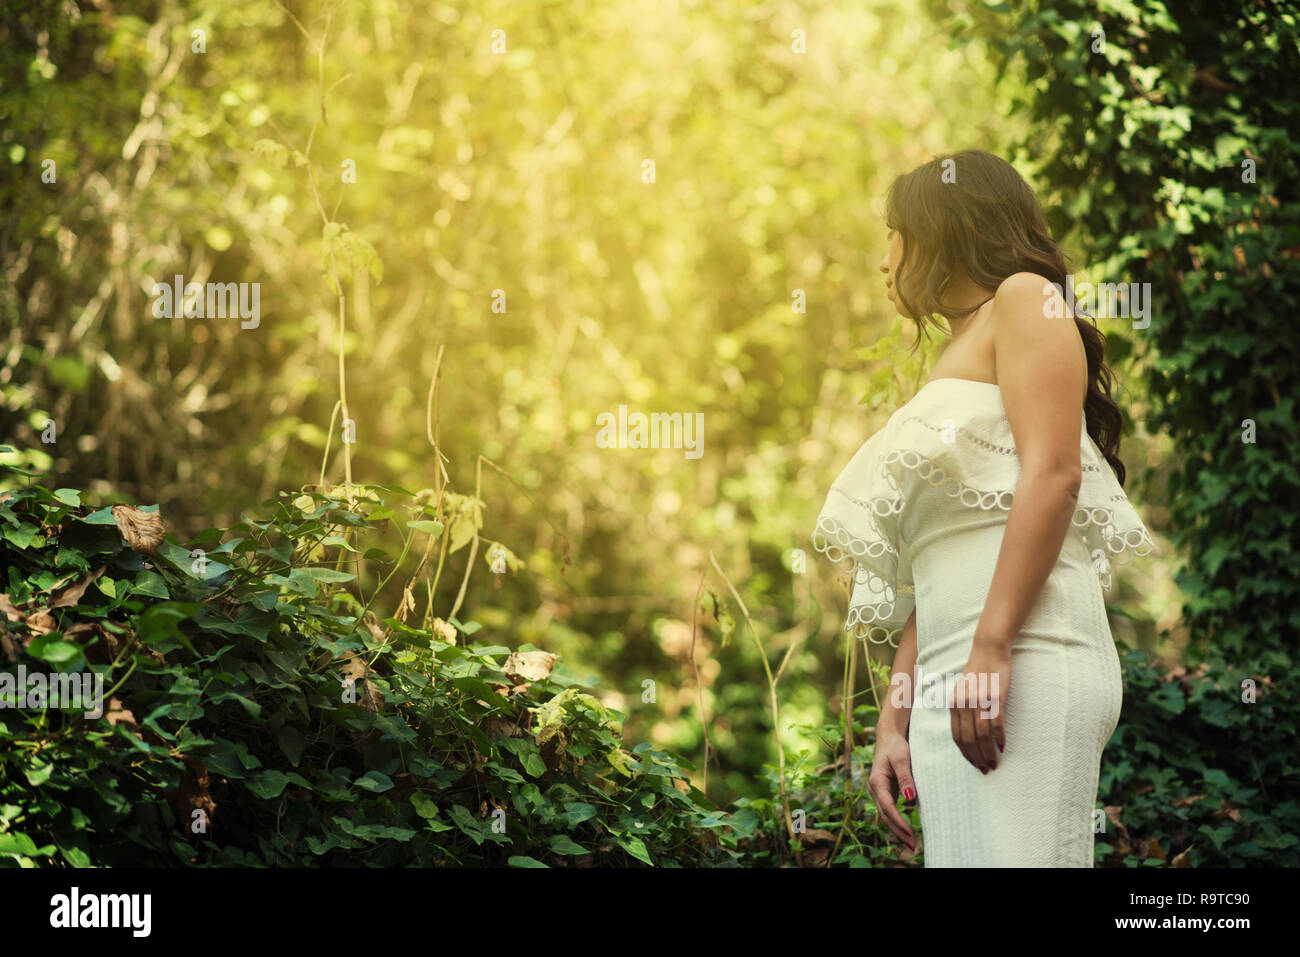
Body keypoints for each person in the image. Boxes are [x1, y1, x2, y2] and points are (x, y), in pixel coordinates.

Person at [812, 150, 1156, 867]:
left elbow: (1054, 474)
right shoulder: (955, 351)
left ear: (943, 228)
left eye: (893, 234)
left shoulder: (1027, 299)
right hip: (954, 670)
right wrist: (894, 719)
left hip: (1024, 654)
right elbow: (935, 561)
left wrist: (993, 646)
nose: (883, 262)